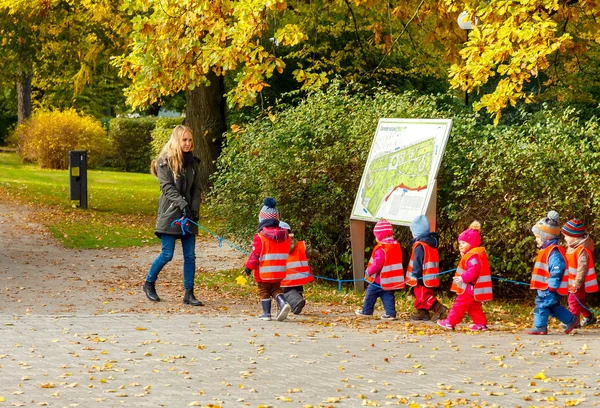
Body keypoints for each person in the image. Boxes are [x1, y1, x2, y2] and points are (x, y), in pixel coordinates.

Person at [143, 125, 203, 306]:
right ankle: (149, 283)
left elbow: (196, 189)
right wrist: (182, 205)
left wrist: (193, 209)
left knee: (190, 256)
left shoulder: (194, 163)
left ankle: (189, 293)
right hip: (171, 213)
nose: (188, 143)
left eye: (190, 140)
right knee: (167, 254)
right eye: (184, 140)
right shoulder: (165, 161)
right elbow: (167, 187)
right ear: (177, 140)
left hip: (188, 215)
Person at [527, 211, 580, 335]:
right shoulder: (546, 250)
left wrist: (552, 285)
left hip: (549, 288)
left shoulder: (554, 252)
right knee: (553, 307)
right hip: (545, 287)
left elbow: (557, 269)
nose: (536, 240)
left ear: (546, 237)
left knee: (542, 305)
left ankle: (540, 327)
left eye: (538, 237)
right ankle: (571, 319)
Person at [437, 221, 492, 331]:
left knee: (459, 305)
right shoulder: (473, 254)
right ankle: (480, 323)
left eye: (463, 243)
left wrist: (463, 278)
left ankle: (450, 322)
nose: (460, 245)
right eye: (460, 243)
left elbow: (474, 270)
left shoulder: (473, 256)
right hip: (473, 288)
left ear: (472, 242)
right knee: (473, 307)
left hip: (469, 286)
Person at [244, 198, 292, 321]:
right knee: (276, 289)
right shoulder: (285, 236)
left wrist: (248, 268)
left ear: (262, 219)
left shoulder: (260, 237)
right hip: (279, 271)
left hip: (263, 272)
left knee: (263, 291)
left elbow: (255, 255)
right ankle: (283, 303)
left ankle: (266, 313)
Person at [355, 219, 404, 320]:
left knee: (370, 294)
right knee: (388, 295)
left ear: (379, 236)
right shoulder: (395, 246)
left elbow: (377, 264)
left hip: (378, 279)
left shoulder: (382, 248)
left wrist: (368, 271)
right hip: (390, 279)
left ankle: (366, 311)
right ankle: (390, 313)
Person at [405, 215, 447, 321]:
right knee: (421, 295)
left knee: (423, 295)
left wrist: (414, 274)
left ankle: (439, 308)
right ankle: (423, 313)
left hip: (421, 276)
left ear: (416, 233)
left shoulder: (420, 246)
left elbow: (418, 262)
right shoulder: (430, 244)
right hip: (428, 275)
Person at [561, 218, 598, 327]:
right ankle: (589, 317)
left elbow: (582, 268)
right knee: (579, 300)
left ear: (574, 237)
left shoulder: (581, 250)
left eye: (566, 236)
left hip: (579, 283)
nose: (564, 238)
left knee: (572, 300)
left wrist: (577, 282)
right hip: (573, 281)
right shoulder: (571, 247)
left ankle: (573, 320)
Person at [279, 221, 319, 315]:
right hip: (301, 277)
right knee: (297, 290)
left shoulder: (277, 246)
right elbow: (313, 253)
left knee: (287, 292)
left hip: (285, 277)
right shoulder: (301, 245)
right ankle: (296, 305)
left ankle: (296, 302)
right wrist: (315, 252)